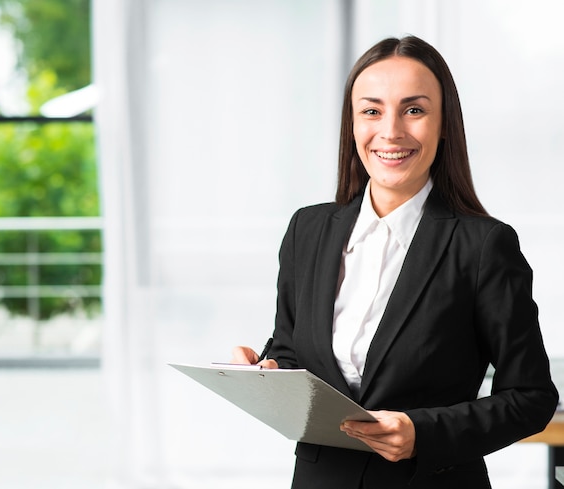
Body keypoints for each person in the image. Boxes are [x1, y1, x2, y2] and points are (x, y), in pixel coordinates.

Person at [231, 35, 559, 489]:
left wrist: (422, 433)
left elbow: (531, 398)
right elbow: (290, 348)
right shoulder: (307, 230)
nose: (390, 131)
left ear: (444, 124)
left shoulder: (485, 246)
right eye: (371, 111)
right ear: (352, 124)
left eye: (414, 110)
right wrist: (267, 373)